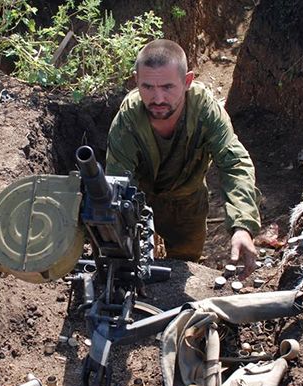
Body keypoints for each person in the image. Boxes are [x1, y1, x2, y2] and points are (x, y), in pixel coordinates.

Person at [105, 39, 261, 278]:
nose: (157, 98)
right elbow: (118, 182)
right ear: (136, 80)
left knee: (185, 266)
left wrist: (242, 226)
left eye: (167, 87)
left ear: (187, 81)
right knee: (133, 265)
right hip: (140, 201)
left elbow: (234, 163)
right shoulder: (128, 119)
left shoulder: (205, 110)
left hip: (188, 204)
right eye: (147, 87)